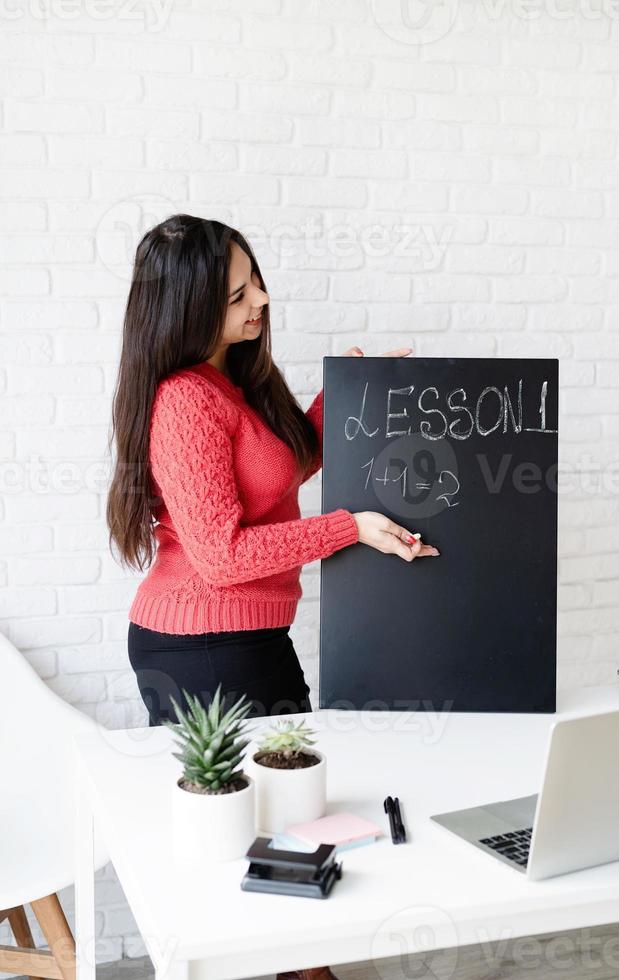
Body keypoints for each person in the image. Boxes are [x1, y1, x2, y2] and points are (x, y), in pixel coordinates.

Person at [106, 214, 439, 980]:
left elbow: (275, 474)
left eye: (255, 278)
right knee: (274, 841)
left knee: (293, 827)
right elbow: (221, 556)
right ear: (186, 308)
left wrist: (346, 399)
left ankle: (304, 966)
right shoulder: (187, 400)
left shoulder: (233, 377)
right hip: (197, 646)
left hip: (247, 638)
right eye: (234, 294)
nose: (258, 300)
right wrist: (346, 527)